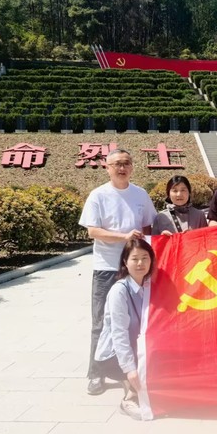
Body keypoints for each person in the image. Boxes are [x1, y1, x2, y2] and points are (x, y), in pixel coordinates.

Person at [79, 149, 157, 396]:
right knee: (101, 322)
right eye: (116, 164)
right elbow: (93, 231)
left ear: (132, 167)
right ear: (107, 167)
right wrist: (124, 237)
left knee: (137, 321)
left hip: (136, 269)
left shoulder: (140, 194)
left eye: (126, 163)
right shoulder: (98, 195)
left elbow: (149, 227)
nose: (122, 168)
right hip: (107, 267)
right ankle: (96, 373)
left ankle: (134, 369)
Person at [94, 238, 155, 420]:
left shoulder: (148, 285)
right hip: (113, 355)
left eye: (145, 258)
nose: (140, 263)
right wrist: (130, 369)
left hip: (136, 346)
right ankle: (129, 398)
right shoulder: (119, 291)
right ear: (125, 262)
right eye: (134, 259)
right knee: (142, 375)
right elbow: (119, 334)